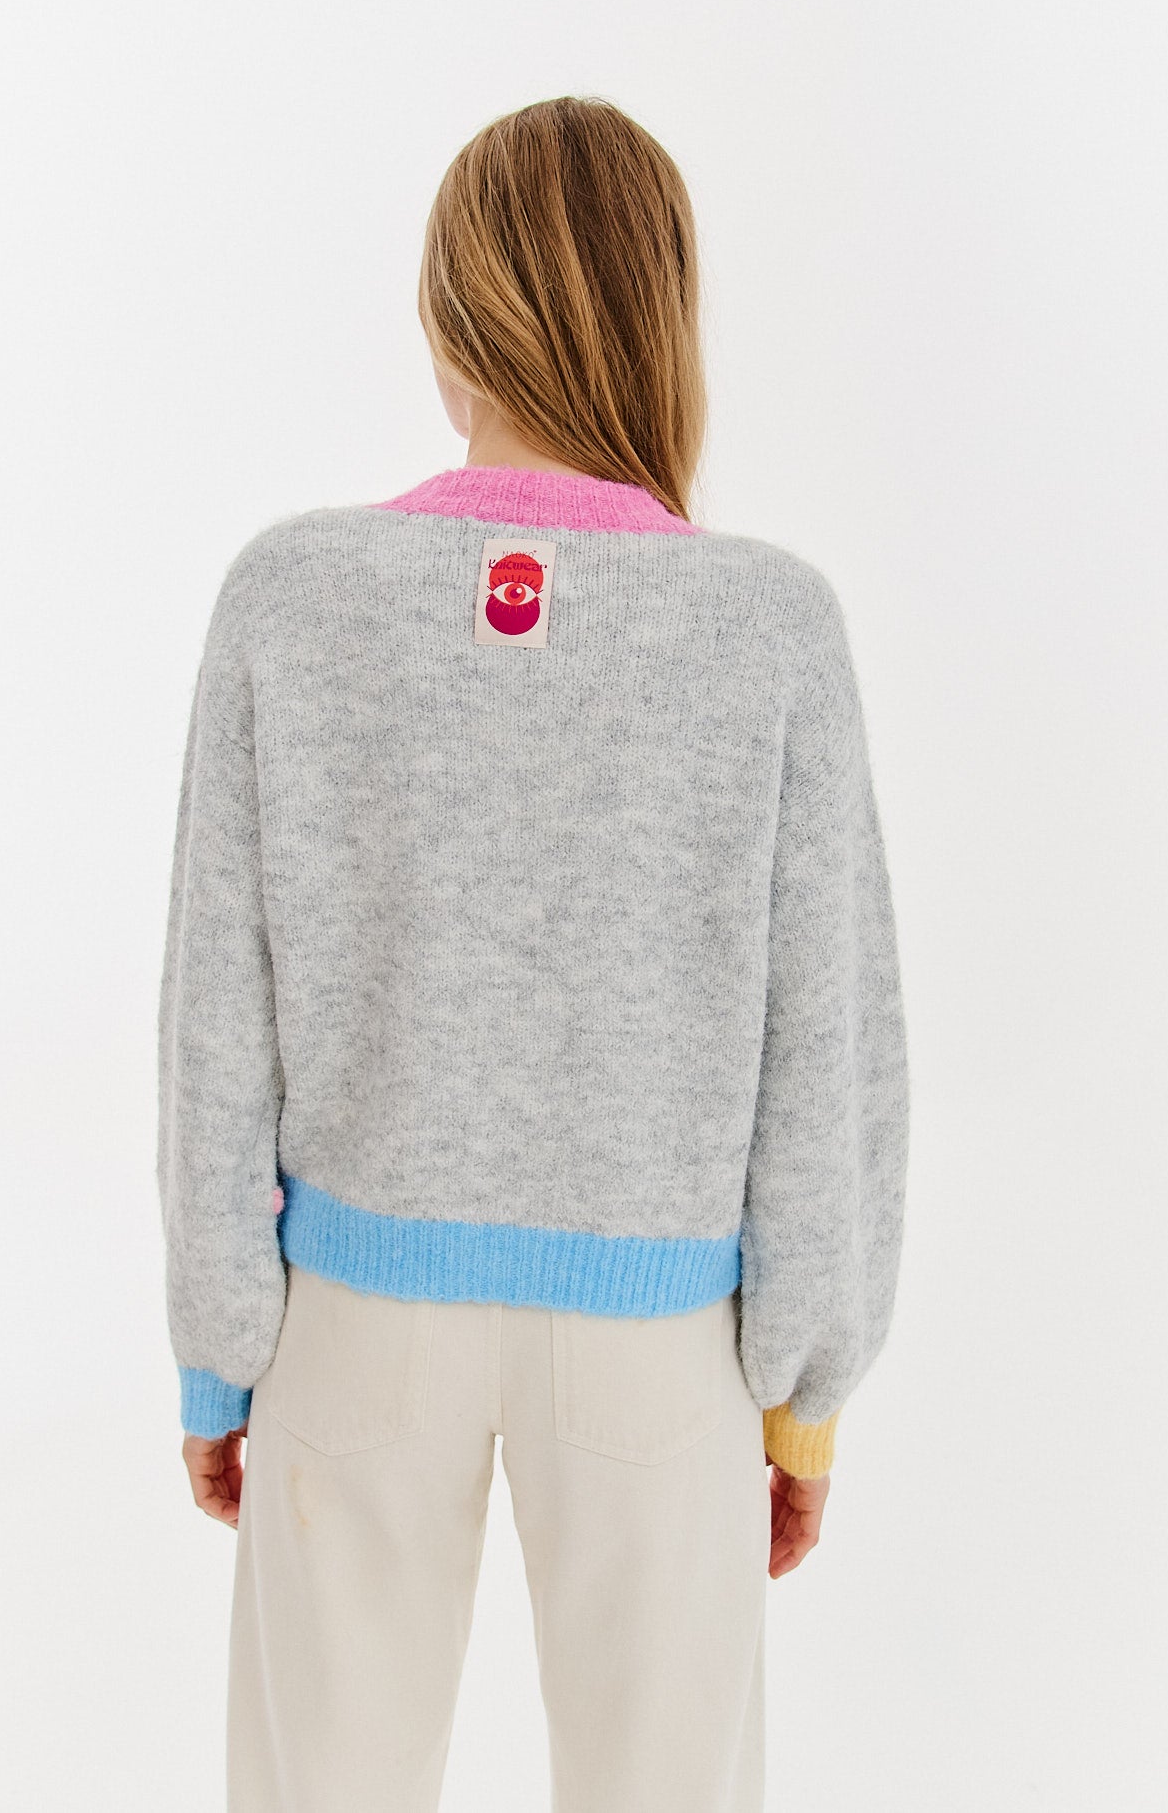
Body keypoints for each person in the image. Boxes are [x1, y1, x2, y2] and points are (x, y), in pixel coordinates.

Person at [156, 93, 910, 1813]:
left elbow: (215, 1021)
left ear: (447, 324)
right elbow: (828, 1051)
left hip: (353, 1319)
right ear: (665, 318)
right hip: (661, 1334)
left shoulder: (291, 596)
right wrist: (801, 1395)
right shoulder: (768, 629)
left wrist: (219, 1344)